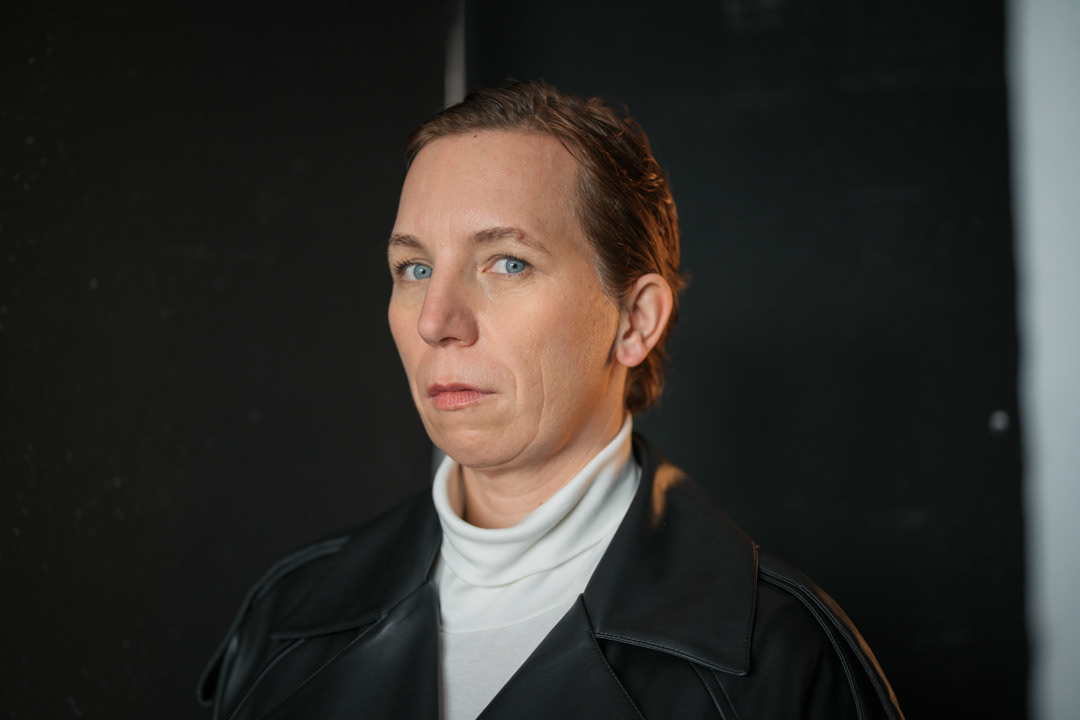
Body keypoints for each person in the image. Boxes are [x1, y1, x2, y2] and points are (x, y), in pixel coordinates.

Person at [198, 81, 904, 720]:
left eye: (507, 263)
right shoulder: (288, 618)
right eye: (414, 268)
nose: (435, 320)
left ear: (635, 321)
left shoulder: (782, 659)